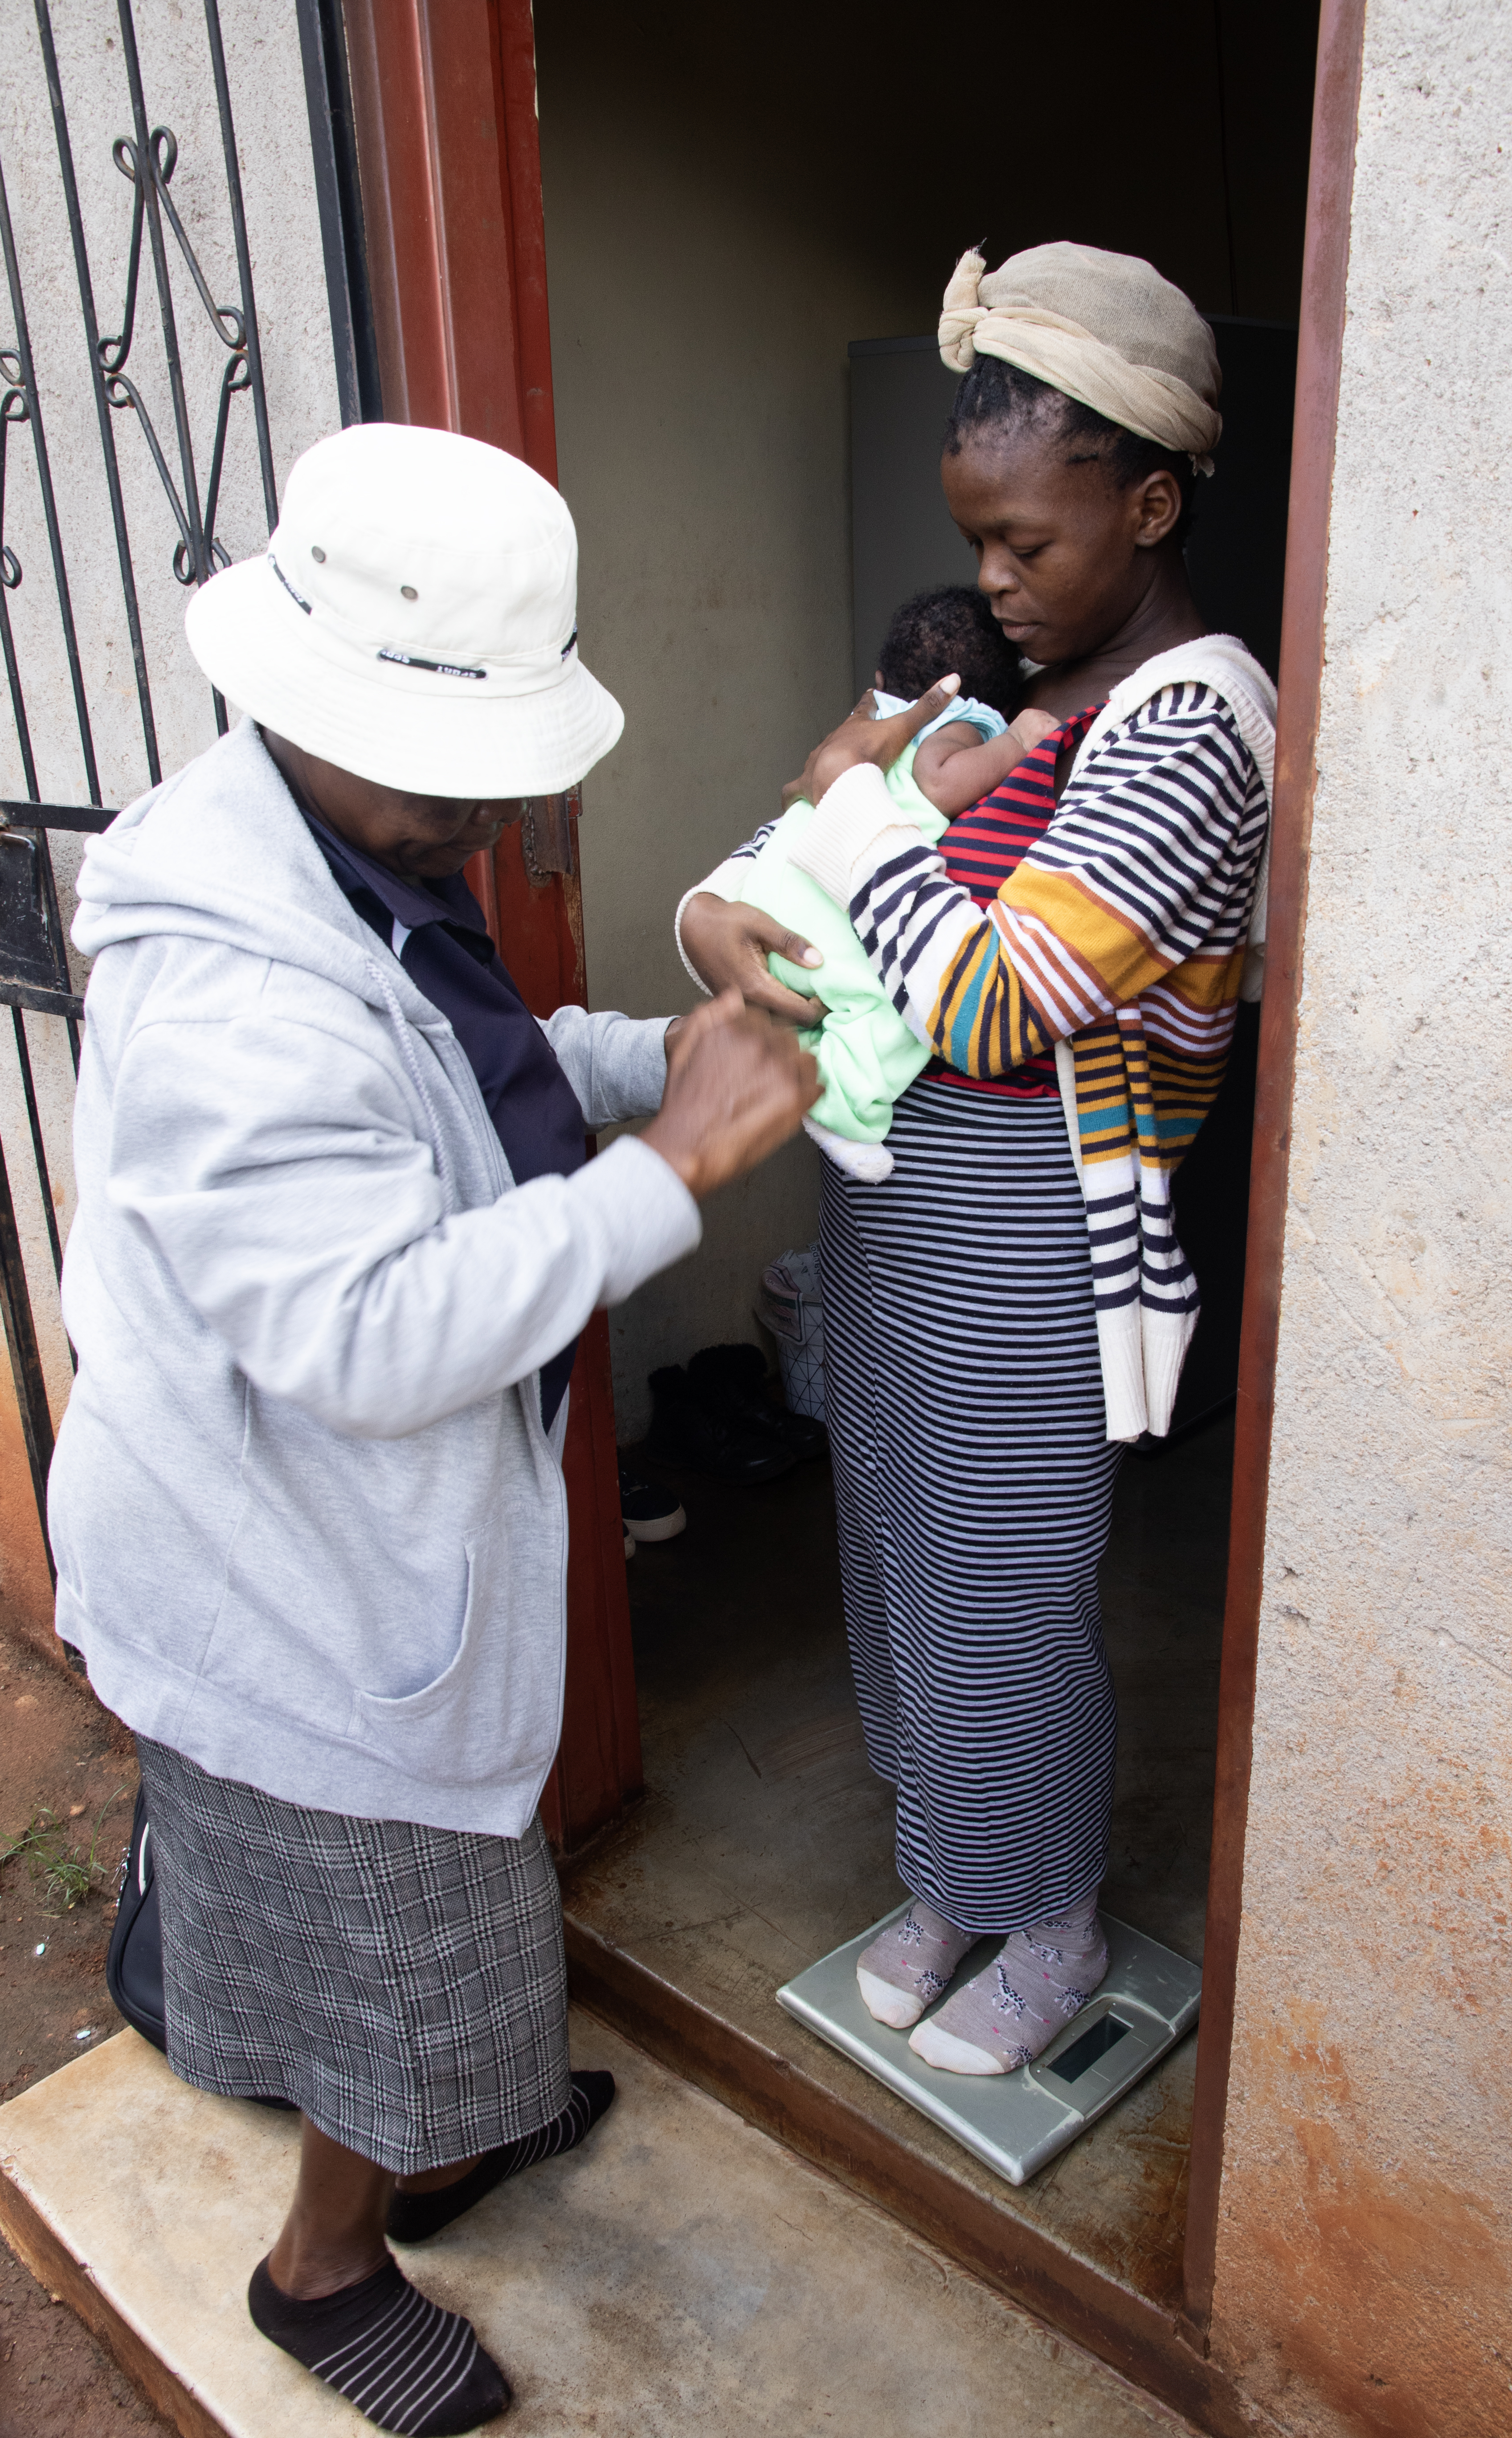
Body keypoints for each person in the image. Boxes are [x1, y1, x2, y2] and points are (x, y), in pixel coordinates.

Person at [50, 422, 818, 2434]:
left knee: (432, 1936)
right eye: (447, 776)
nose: (485, 817)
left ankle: (447, 2132)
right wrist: (675, 1165)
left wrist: (650, 1058)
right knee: (407, 1951)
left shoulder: (347, 854)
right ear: (310, 706)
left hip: (349, 1545)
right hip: (279, 1579)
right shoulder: (238, 995)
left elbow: (462, 1074)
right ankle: (323, 2265)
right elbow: (373, 1334)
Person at [678, 242, 1275, 2078]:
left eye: (1027, 542)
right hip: (887, 1191)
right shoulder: (1013, 699)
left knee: (1005, 1584)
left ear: (1149, 504)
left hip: (1028, 1217)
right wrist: (721, 910)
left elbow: (1004, 1005)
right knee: (894, 1547)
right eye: (978, 544)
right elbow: (797, 857)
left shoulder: (1196, 726)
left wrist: (853, 819)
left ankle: (1054, 1915)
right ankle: (953, 1871)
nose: (995, 582)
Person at [687, 585, 1058, 1182]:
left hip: (769, 892)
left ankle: (793, 1061)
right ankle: (839, 1104)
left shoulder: (867, 718)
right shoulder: (966, 719)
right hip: (828, 911)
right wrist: (1014, 743)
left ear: (883, 679)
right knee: (897, 1009)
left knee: (812, 1008)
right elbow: (940, 781)